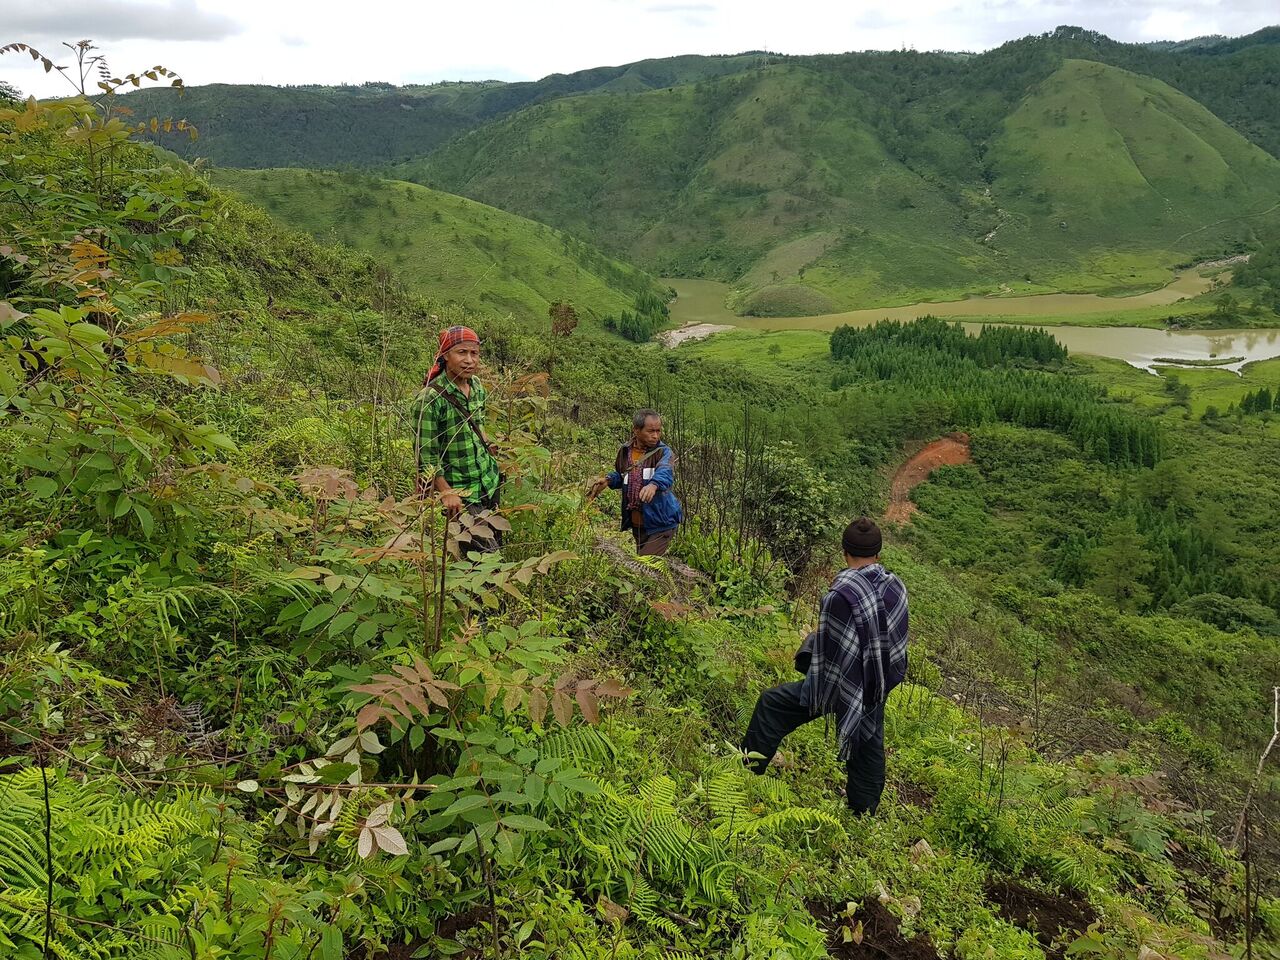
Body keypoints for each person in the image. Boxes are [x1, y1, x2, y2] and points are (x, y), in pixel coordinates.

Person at [741, 517, 908, 815]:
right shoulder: (896, 587)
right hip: (875, 685)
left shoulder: (839, 595)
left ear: (844, 551)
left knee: (772, 704)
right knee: (868, 737)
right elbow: (896, 640)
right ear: (878, 553)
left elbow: (831, 655)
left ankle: (746, 772)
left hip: (836, 684)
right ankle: (864, 812)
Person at [410, 325, 503, 551]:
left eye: (474, 353)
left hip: (487, 482)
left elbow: (478, 422)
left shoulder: (476, 386)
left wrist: (486, 442)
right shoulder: (430, 399)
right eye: (461, 352)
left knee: (496, 546)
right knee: (486, 559)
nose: (470, 360)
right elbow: (426, 455)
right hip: (462, 491)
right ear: (445, 355)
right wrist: (446, 491)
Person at [587, 409, 682, 556]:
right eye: (650, 431)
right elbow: (624, 475)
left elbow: (665, 472)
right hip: (638, 523)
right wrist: (609, 480)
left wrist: (653, 484)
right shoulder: (625, 451)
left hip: (661, 523)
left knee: (644, 567)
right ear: (636, 430)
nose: (655, 435)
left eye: (658, 431)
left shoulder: (663, 452)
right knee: (644, 567)